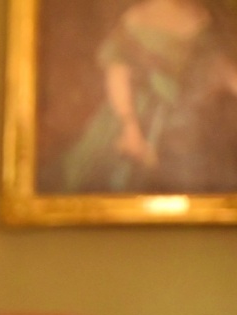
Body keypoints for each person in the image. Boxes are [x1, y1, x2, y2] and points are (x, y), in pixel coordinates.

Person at [62, 0, 237, 193]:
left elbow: (215, 65)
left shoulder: (200, 16)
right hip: (141, 114)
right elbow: (118, 75)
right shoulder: (136, 19)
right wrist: (130, 127)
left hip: (191, 114)